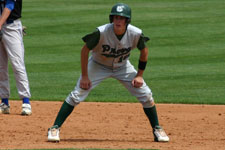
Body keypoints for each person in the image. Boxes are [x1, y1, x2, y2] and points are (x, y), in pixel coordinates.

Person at [47, 3, 169, 142]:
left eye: (122, 18)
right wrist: (85, 76)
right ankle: (54, 128)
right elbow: (84, 50)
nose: (118, 21)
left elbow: (144, 50)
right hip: (98, 65)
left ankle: (157, 129)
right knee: (77, 94)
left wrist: (139, 75)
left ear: (127, 20)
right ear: (112, 18)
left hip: (123, 67)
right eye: (116, 17)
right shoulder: (101, 32)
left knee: (146, 95)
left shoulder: (135, 33)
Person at [0, 0, 32, 115]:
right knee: (1, 67)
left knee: (17, 64)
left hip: (11, 27)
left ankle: (26, 102)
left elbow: (9, 6)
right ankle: (4, 102)